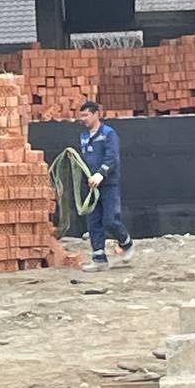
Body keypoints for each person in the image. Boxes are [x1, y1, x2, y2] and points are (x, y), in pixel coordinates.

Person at [78, 100, 135, 271]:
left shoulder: (108, 134)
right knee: (93, 222)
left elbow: (112, 158)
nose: (83, 119)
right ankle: (99, 259)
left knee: (110, 220)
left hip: (108, 184)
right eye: (81, 116)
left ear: (96, 114)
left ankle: (126, 242)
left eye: (86, 115)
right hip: (91, 186)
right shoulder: (83, 136)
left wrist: (101, 174)